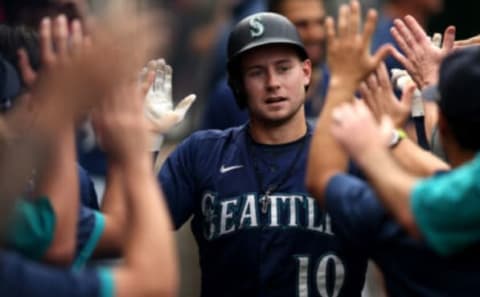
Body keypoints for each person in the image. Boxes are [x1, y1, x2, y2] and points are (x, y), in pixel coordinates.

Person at [159, 12, 367, 297]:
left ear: (306, 71)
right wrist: (141, 144)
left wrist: (416, 123)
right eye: (256, 72)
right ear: (238, 84)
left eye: (283, 68)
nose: (272, 83)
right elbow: (131, 233)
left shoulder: (347, 152)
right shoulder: (202, 153)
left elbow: (422, 227)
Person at [0, 4, 179, 296]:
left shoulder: (70, 177)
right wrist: (133, 152)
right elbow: (153, 284)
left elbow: (119, 231)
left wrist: (140, 140)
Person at [306, 1, 480, 296]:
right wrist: (394, 136)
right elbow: (453, 180)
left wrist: (341, 85)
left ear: (446, 128)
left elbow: (323, 178)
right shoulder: (462, 198)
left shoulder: (392, 221)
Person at [201, 0, 329, 130]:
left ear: (306, 71)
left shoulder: (340, 86)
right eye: (301, 24)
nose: (316, 34)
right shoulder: (229, 97)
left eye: (320, 22)